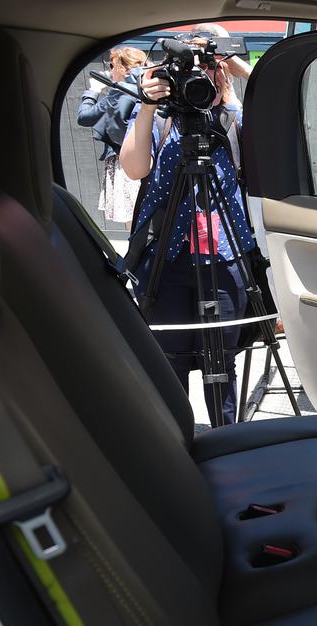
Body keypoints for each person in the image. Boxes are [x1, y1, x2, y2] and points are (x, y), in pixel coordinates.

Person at [121, 24, 254, 426]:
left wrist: (237, 70)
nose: (200, 77)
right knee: (167, 364)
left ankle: (227, 439)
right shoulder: (160, 118)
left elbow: (291, 120)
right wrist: (146, 103)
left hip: (226, 256)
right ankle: (176, 444)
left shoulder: (233, 117)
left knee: (222, 364)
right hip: (167, 257)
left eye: (209, 66)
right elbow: (133, 168)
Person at [77, 46, 147, 223]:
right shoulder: (148, 88)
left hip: (126, 160)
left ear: (122, 68)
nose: (110, 71)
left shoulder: (120, 92)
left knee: (131, 216)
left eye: (112, 65)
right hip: (149, 158)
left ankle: (134, 250)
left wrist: (93, 90)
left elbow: (84, 117)